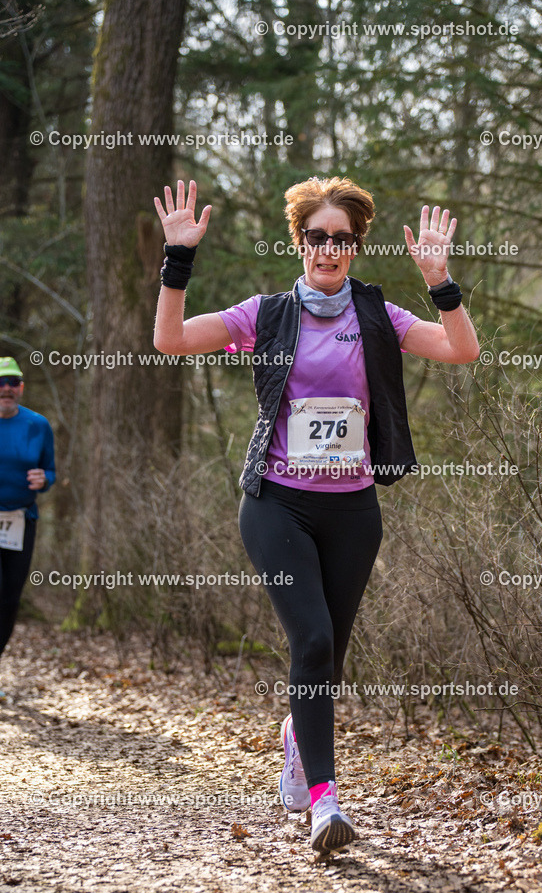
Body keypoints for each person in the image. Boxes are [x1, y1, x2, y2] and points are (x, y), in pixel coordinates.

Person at [153, 177, 479, 852]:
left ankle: (296, 736)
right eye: (316, 236)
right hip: (276, 503)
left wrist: (439, 282)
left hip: (353, 510)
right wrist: (177, 261)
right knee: (312, 643)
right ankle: (325, 806)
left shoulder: (377, 317)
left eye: (342, 238)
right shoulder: (266, 315)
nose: (328, 249)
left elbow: (460, 351)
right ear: (299, 241)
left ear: (356, 247)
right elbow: (170, 340)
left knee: (328, 658)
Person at [0, 357, 55, 659]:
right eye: (0, 383)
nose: (5, 388)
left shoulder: (38, 425)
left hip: (22, 522)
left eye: (12, 383)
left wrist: (43, 479)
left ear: (20, 388)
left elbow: (51, 471)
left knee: (9, 601)